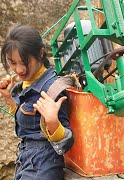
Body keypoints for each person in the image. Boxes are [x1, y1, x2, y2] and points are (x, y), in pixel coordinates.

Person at [0, 24, 74, 180]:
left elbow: (66, 143)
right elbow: (30, 120)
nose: (19, 70)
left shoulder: (52, 89)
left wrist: (53, 121)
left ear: (41, 53)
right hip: (25, 160)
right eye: (13, 63)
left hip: (43, 165)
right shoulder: (28, 84)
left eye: (25, 62)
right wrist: (9, 98)